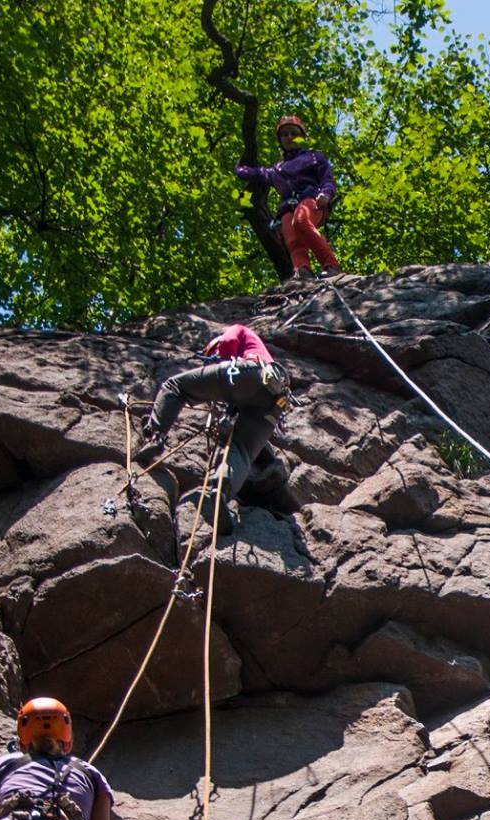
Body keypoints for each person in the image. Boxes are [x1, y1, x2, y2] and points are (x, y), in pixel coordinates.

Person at [137, 322, 289, 529]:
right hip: (275, 400)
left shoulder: (240, 330)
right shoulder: (261, 352)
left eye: (213, 355)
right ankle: (219, 494)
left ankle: (155, 437)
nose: (214, 361)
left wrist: (223, 361)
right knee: (240, 449)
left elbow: (228, 341)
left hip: (250, 373)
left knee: (175, 386)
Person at [234, 113, 340, 277]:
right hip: (286, 207)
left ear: (302, 137)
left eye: (293, 133)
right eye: (284, 134)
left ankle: (331, 265)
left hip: (311, 199)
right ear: (280, 140)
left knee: (301, 221)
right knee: (293, 241)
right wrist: (240, 169)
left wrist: (326, 193)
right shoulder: (277, 169)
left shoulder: (314, 157)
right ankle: (302, 272)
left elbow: (327, 179)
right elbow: (259, 173)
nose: (289, 137)